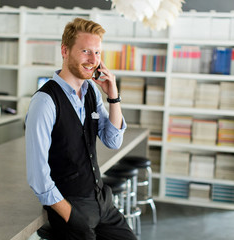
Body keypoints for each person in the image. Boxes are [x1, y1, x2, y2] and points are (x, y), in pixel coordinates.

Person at [25, 17, 137, 240]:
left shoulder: (92, 92)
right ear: (65, 51)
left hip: (101, 203)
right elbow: (38, 176)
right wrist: (71, 216)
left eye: (97, 53)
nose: (93, 60)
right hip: (71, 208)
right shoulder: (45, 101)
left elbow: (112, 140)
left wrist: (113, 96)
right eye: (86, 51)